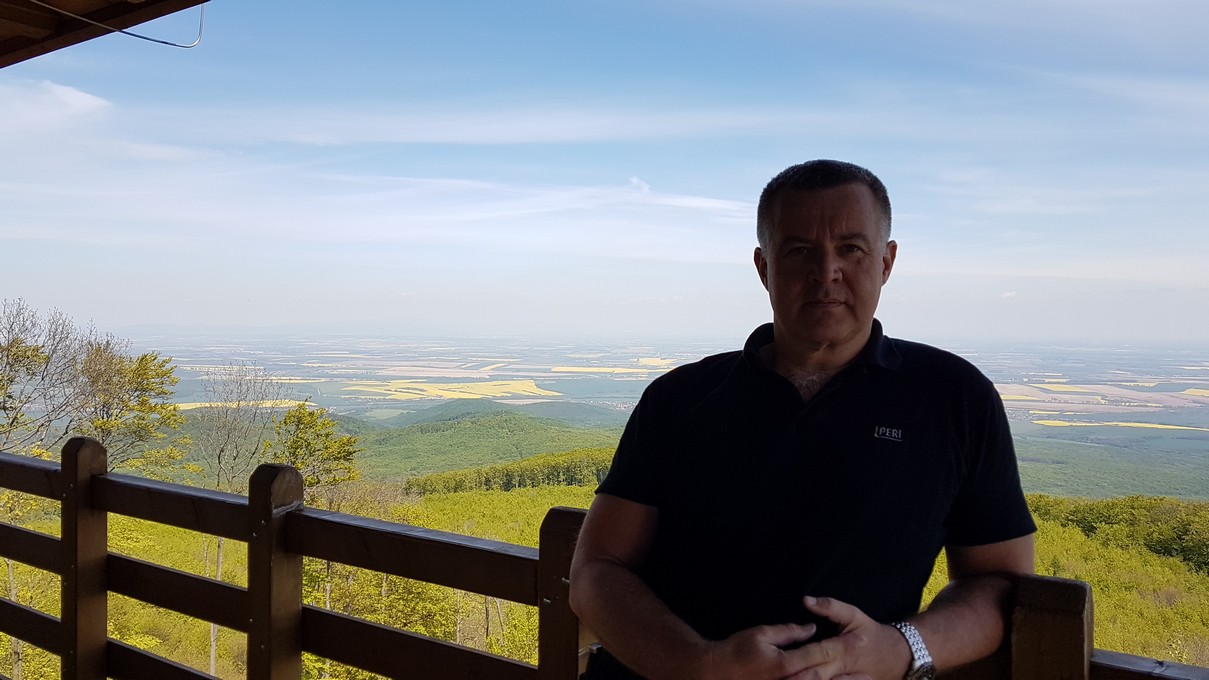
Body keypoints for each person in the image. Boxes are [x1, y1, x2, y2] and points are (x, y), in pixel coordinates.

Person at [568, 160, 1036, 680]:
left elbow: (1001, 583)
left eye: (851, 249)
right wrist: (700, 666)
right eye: (799, 251)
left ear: (886, 261)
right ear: (763, 267)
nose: (826, 271)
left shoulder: (955, 398)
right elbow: (597, 570)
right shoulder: (680, 398)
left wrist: (902, 648)